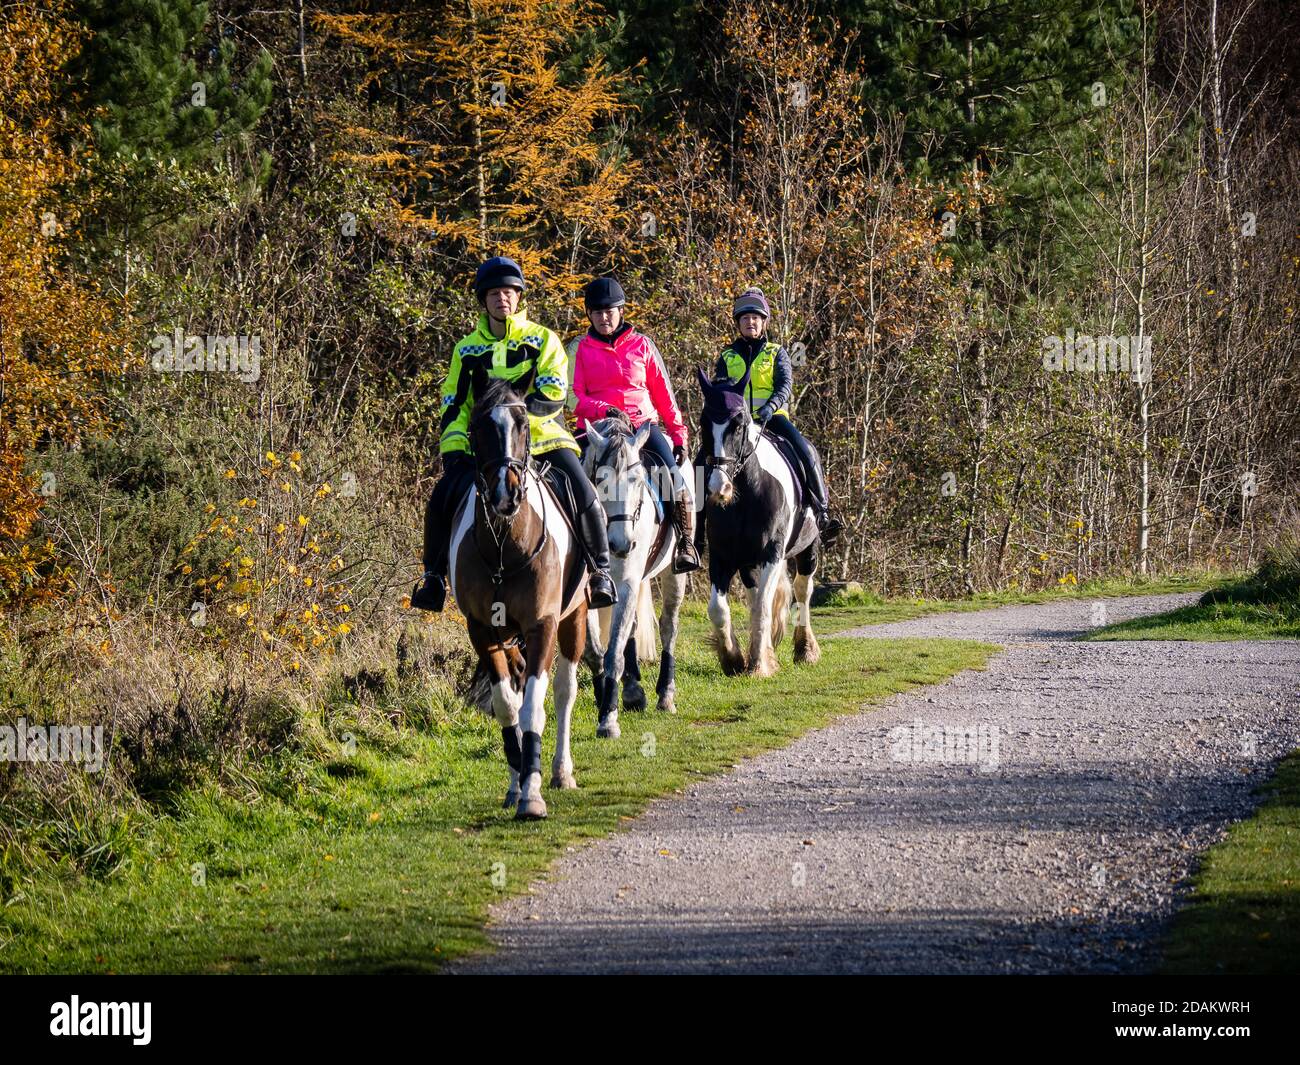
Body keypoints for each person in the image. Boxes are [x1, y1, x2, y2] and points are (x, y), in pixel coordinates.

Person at [411, 256, 617, 612]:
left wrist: (519, 427)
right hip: (485, 450)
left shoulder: (544, 340)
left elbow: (553, 393)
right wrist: (455, 448)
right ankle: (433, 578)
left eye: (509, 292)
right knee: (441, 497)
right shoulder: (465, 350)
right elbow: (454, 403)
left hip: (543, 439)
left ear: (519, 297)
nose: (502, 299)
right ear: (484, 300)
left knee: (584, 493)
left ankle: (600, 571)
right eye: (494, 293)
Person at [569, 276, 701, 574]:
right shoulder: (579, 348)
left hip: (641, 427)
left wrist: (679, 434)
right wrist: (606, 409)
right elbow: (572, 396)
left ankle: (685, 544)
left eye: (610, 311)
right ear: (589, 314)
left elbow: (663, 394)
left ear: (621, 311)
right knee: (569, 481)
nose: (604, 317)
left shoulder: (643, 345)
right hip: (597, 428)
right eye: (598, 312)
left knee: (674, 478)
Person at [703, 286, 842, 543]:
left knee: (806, 450)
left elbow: (784, 385)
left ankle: (822, 513)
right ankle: (697, 531)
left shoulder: (776, 352)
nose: (750, 322)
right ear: (738, 323)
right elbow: (720, 390)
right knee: (704, 458)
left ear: (764, 322)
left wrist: (770, 407)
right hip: (737, 424)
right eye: (745, 318)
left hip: (772, 418)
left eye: (755, 318)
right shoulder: (727, 356)